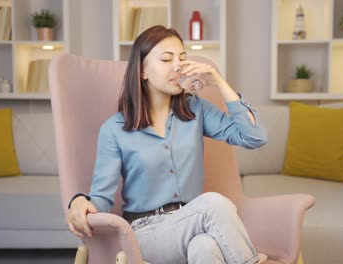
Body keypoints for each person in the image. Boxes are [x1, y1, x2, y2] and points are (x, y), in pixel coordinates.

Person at [67, 25, 268, 264]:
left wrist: (219, 80)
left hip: (193, 223)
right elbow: (102, 198)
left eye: (182, 58)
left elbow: (254, 137)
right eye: (166, 59)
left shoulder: (196, 109)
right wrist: (80, 201)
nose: (178, 66)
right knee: (213, 203)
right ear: (142, 70)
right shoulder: (115, 129)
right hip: (145, 233)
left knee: (205, 246)